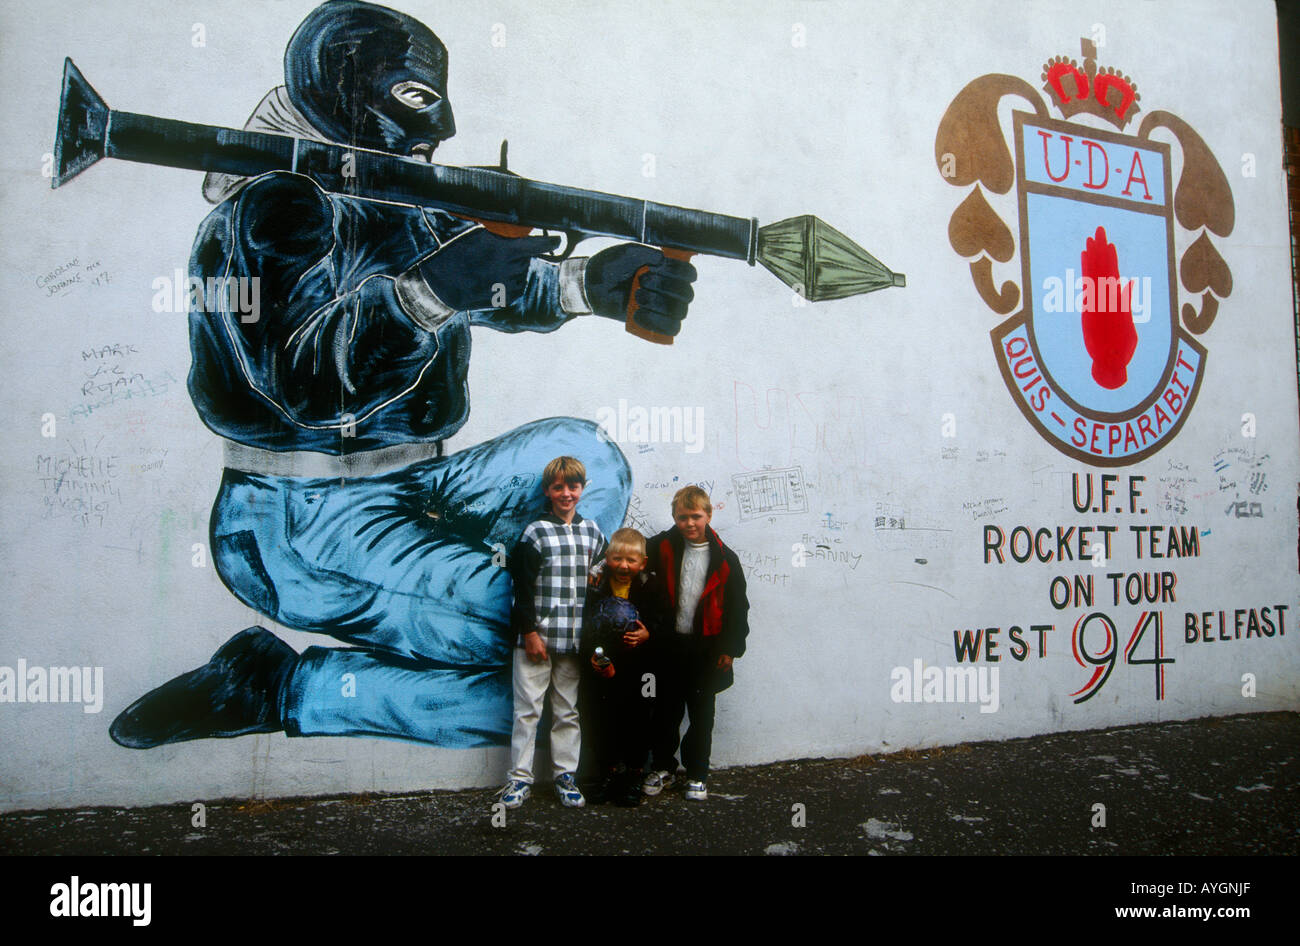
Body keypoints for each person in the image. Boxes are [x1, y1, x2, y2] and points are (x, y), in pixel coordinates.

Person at [109, 0, 697, 751]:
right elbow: (308, 384)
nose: (442, 127)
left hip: (418, 485)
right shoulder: (269, 211)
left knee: (587, 453)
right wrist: (431, 291)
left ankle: (503, 599)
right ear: (343, 86)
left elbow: (490, 284)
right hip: (303, 516)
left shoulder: (390, 189)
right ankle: (286, 686)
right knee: (548, 667)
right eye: (416, 98)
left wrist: (592, 283)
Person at [500, 457, 606, 809]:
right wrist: (529, 632)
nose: (566, 493)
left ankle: (565, 775)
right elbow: (522, 588)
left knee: (566, 710)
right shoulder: (535, 532)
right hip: (537, 639)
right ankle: (519, 779)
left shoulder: (591, 532)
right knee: (527, 710)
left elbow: (601, 575)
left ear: (581, 489)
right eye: (558, 487)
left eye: (572, 486)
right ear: (547, 491)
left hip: (573, 640)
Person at [643, 486, 749, 801]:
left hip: (706, 650)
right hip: (669, 647)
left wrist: (730, 648)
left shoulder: (725, 559)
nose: (689, 523)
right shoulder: (663, 546)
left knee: (702, 715)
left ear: (709, 515)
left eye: (695, 517)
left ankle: (697, 773)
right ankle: (663, 766)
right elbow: (632, 553)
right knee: (664, 711)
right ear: (674, 518)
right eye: (682, 517)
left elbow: (738, 607)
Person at [578, 528, 667, 807]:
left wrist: (648, 634)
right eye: (617, 559)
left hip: (640, 670)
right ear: (607, 558)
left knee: (638, 722)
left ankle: (633, 776)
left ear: (643, 562)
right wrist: (597, 659)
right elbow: (587, 628)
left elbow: (663, 622)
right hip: (606, 668)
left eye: (631, 560)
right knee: (603, 721)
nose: (624, 566)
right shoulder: (596, 588)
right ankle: (608, 773)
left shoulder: (651, 587)